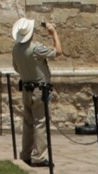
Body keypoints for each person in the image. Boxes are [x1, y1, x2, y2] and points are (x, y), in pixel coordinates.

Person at [11, 17, 64, 167]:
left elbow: (16, 68)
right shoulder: (35, 48)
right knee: (40, 123)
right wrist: (53, 32)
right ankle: (40, 157)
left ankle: (25, 155)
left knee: (28, 123)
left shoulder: (16, 49)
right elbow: (58, 52)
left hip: (26, 89)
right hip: (40, 90)